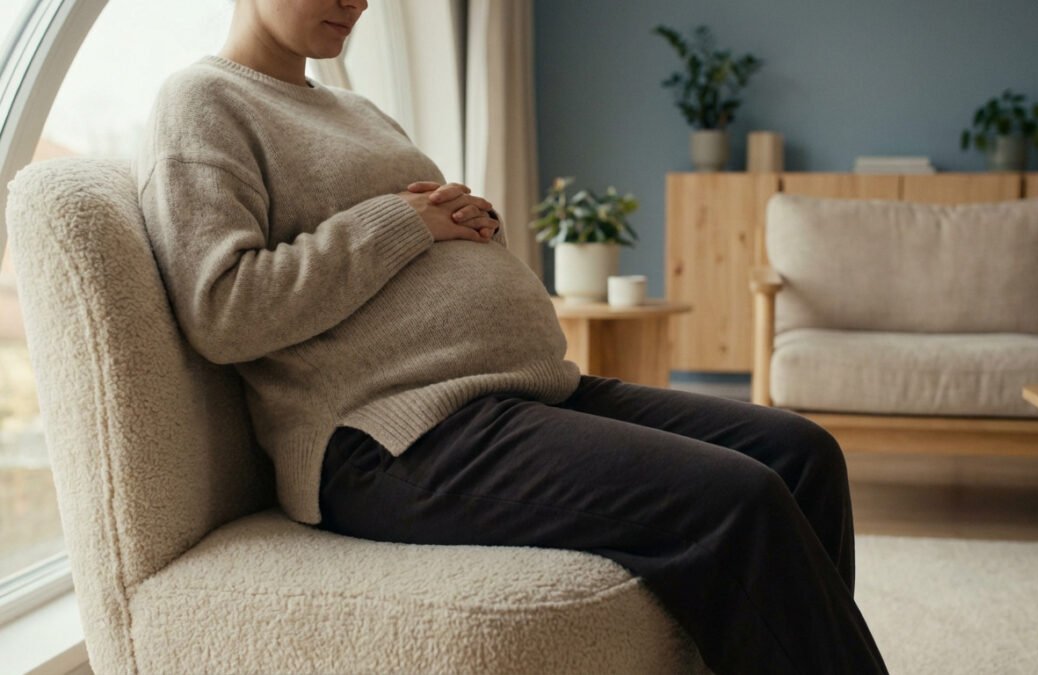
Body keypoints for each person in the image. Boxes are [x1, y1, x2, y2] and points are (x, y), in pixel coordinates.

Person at [134, 0, 888, 672]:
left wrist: (465, 223)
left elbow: (412, 232)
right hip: (392, 436)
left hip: (523, 394)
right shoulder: (203, 101)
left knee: (801, 454)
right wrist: (402, 221)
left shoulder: (358, 110)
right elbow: (223, 308)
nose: (357, 2)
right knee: (740, 499)